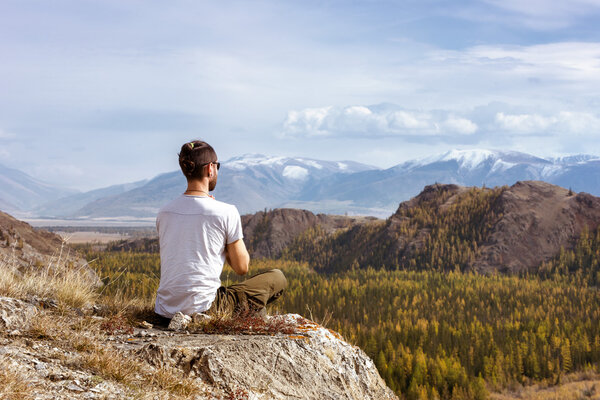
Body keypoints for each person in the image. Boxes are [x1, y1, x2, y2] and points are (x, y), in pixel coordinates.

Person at [154, 140, 287, 321]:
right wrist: (224, 241)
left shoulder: (164, 212)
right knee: (277, 277)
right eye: (217, 166)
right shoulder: (225, 211)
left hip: (163, 311)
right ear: (210, 169)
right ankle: (253, 316)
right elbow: (242, 267)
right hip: (206, 308)